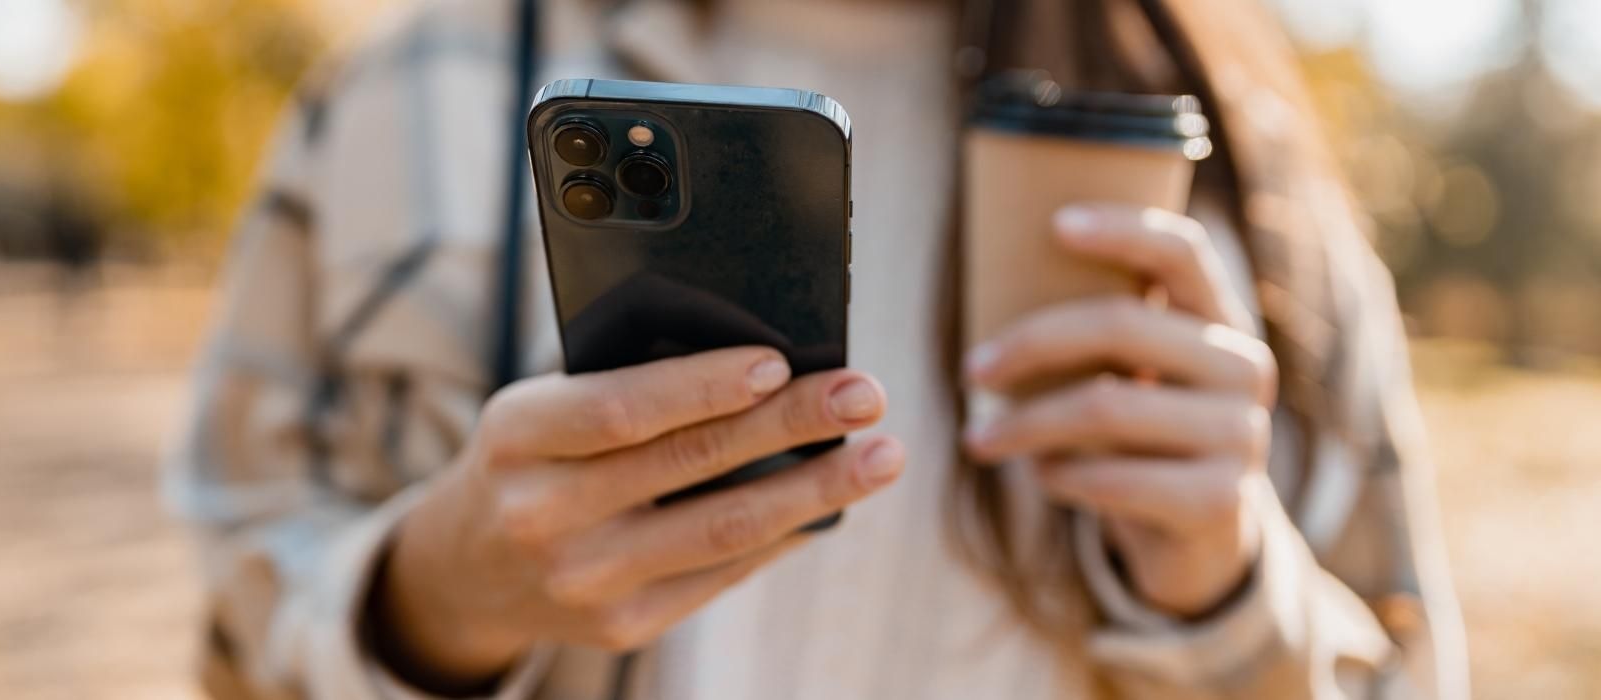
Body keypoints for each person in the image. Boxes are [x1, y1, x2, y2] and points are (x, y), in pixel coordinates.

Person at [164, 0, 1468, 697]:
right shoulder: (414, 94)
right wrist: (436, 601)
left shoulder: (1241, 171)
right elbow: (234, 642)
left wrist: (1227, 595)